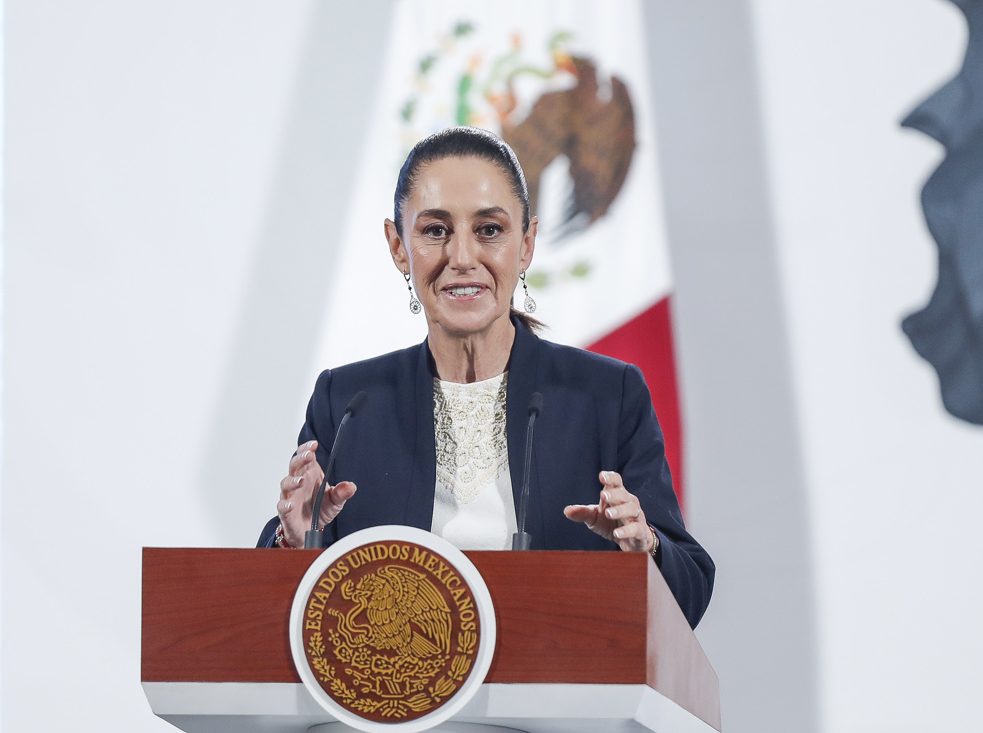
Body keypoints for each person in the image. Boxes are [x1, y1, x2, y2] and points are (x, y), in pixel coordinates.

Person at [256, 126, 714, 628]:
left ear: (526, 245)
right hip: (394, 678)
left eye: (489, 230)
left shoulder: (606, 396)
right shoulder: (347, 403)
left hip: (558, 677)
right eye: (435, 231)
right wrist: (295, 543)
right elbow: (278, 616)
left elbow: (688, 595)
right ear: (398, 246)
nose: (462, 258)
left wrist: (644, 548)